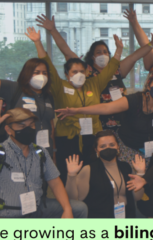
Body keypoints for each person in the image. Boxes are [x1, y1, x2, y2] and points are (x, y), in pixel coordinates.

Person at [36, 14, 153, 134]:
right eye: (99, 52)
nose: (103, 55)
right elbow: (67, 52)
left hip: (121, 121)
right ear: (92, 56)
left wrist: (152, 43)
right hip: (95, 122)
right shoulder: (85, 70)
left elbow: (135, 56)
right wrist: (53, 30)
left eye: (105, 52)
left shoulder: (116, 69)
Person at [0, 98, 87, 218]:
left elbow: (54, 182)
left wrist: (67, 209)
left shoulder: (40, 152)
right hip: (7, 215)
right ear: (8, 130)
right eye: (21, 126)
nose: (28, 129)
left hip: (36, 209)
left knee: (79, 209)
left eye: (31, 125)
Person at [27, 26, 121, 184]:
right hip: (68, 137)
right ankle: (70, 201)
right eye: (74, 72)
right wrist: (38, 43)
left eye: (82, 71)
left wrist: (119, 50)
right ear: (66, 74)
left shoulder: (94, 84)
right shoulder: (60, 86)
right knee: (69, 172)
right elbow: (47, 65)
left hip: (92, 135)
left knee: (92, 171)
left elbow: (110, 68)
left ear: (87, 72)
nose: (79, 75)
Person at [55, 74, 153, 165]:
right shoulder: (133, 100)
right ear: (148, 85)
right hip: (127, 146)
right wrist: (76, 110)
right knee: (130, 178)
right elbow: (106, 108)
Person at [65, 130, 145, 218]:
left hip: (126, 217)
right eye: (103, 146)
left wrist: (140, 174)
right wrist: (71, 175)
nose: (108, 148)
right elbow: (74, 201)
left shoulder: (126, 167)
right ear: (96, 150)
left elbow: (137, 198)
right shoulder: (88, 170)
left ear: (118, 147)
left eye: (112, 145)